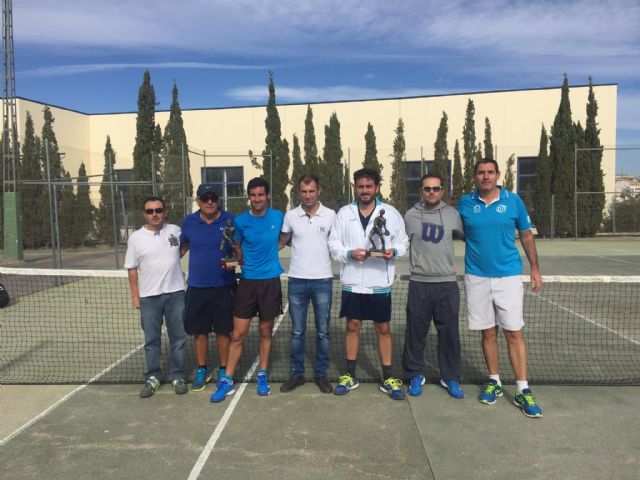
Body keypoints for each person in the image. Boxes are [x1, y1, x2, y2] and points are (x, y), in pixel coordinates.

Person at [458, 158, 543, 418]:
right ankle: (493, 381)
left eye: (490, 172)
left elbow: (526, 235)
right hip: (476, 278)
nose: (486, 177)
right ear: (474, 177)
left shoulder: (513, 201)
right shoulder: (465, 203)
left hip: (508, 277)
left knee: (514, 333)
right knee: (488, 333)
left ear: (497, 175)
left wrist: (535, 268)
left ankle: (522, 389)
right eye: (481, 173)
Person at [328, 168, 408, 400]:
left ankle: (387, 378)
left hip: (379, 283)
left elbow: (403, 242)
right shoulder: (344, 213)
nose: (364, 190)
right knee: (352, 325)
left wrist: (394, 251)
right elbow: (333, 244)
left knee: (383, 328)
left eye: (368, 186)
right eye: (360, 186)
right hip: (352, 282)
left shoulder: (391, 213)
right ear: (355, 188)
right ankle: (350, 375)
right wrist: (349, 253)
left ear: (377, 188)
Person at [211, 177, 284, 403]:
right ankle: (227, 380)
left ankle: (262, 375)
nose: (257, 199)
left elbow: (287, 236)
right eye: (253, 195)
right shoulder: (240, 221)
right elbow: (236, 246)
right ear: (248, 197)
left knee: (265, 331)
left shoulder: (279, 217)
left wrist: (275, 249)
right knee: (238, 334)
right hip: (248, 282)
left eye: (261, 194)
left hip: (270, 282)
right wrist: (238, 259)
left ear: (268, 195)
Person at [402, 173, 465, 398]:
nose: (431, 192)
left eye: (436, 189)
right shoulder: (410, 216)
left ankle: (450, 377)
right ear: (421, 191)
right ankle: (414, 375)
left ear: (442, 191)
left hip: (447, 284)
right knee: (415, 333)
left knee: (449, 333)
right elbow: (399, 243)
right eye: (427, 189)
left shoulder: (453, 215)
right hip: (419, 283)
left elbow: (466, 237)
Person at [278, 174, 336, 394]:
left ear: (318, 191)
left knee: (323, 332)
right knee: (297, 332)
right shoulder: (291, 216)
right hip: (297, 281)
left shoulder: (331, 215)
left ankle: (321, 375)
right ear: (298, 192)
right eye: (304, 191)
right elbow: (282, 241)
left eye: (312, 191)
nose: (308, 195)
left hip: (323, 280)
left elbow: (337, 242)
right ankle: (297, 374)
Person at [125, 196, 187, 398]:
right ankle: (153, 377)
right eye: (150, 211)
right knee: (152, 340)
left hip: (176, 293)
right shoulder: (136, 238)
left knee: (178, 338)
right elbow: (132, 269)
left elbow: (182, 249)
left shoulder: (175, 231)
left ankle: (178, 375)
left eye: (158, 210)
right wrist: (136, 297)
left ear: (165, 211)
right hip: (149, 298)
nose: (155, 214)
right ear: (144, 214)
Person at [180, 184, 236, 392]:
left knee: (223, 331)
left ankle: (223, 370)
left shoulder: (230, 220)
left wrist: (235, 261)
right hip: (197, 287)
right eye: (205, 198)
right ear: (198, 201)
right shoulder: (189, 222)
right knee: (200, 332)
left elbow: (238, 249)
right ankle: (202, 369)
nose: (210, 202)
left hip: (224, 286)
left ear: (218, 200)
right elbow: (182, 248)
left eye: (213, 198)